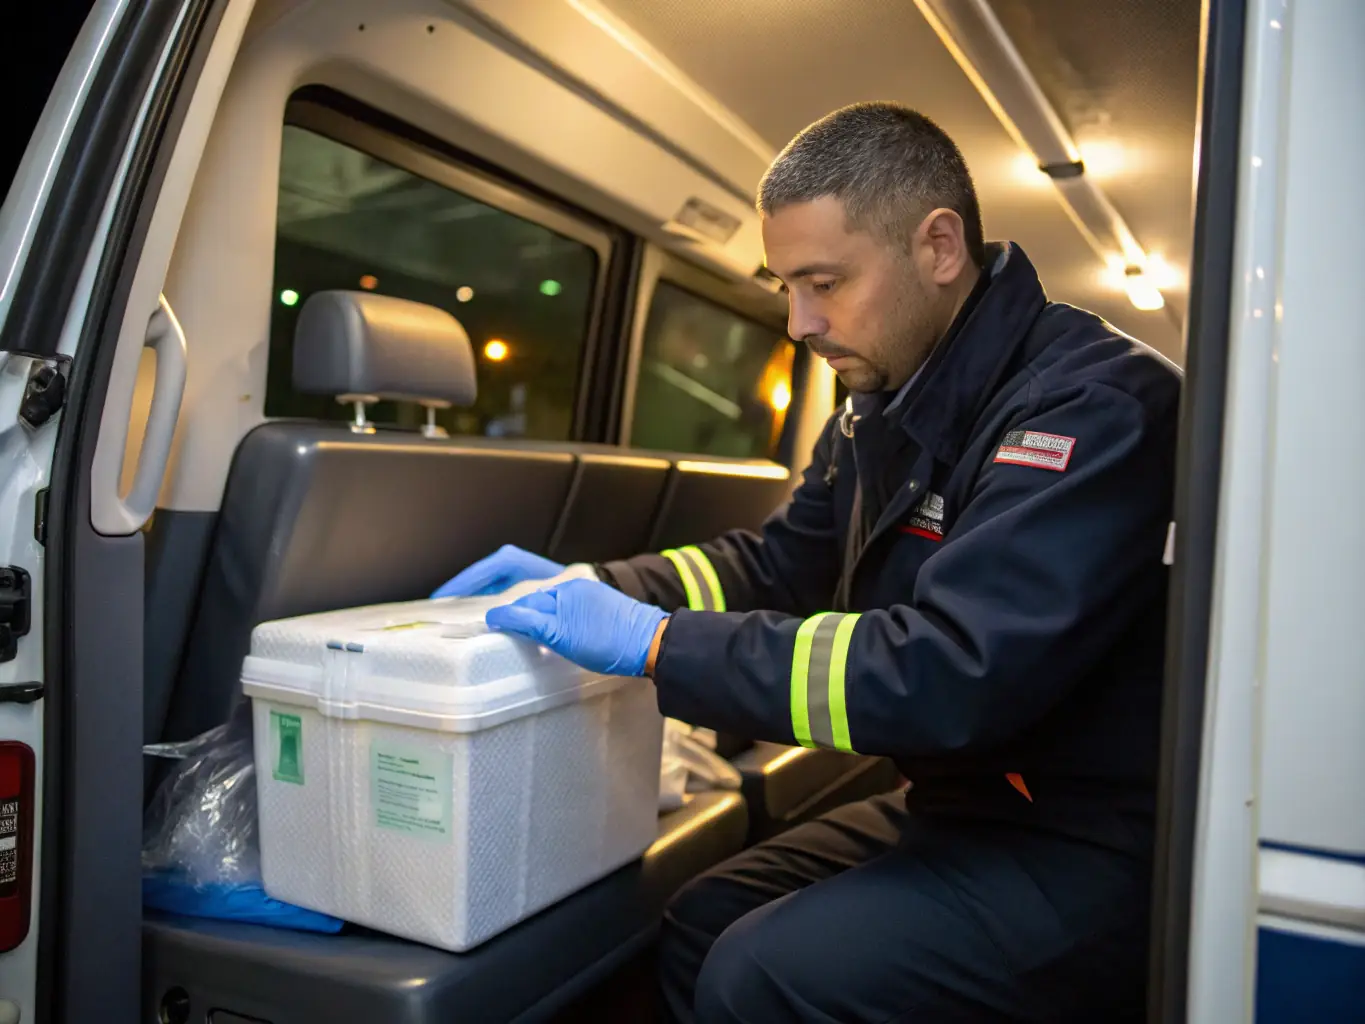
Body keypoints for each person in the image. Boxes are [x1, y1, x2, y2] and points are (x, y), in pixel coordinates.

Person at [434, 102, 1180, 1023]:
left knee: (767, 972)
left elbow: (952, 675)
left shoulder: (1091, 408)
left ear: (938, 247)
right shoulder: (878, 406)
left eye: (822, 282)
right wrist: (595, 588)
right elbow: (776, 564)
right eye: (786, 286)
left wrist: (662, 646)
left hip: (1091, 832)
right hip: (971, 802)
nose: (798, 322)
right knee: (702, 919)